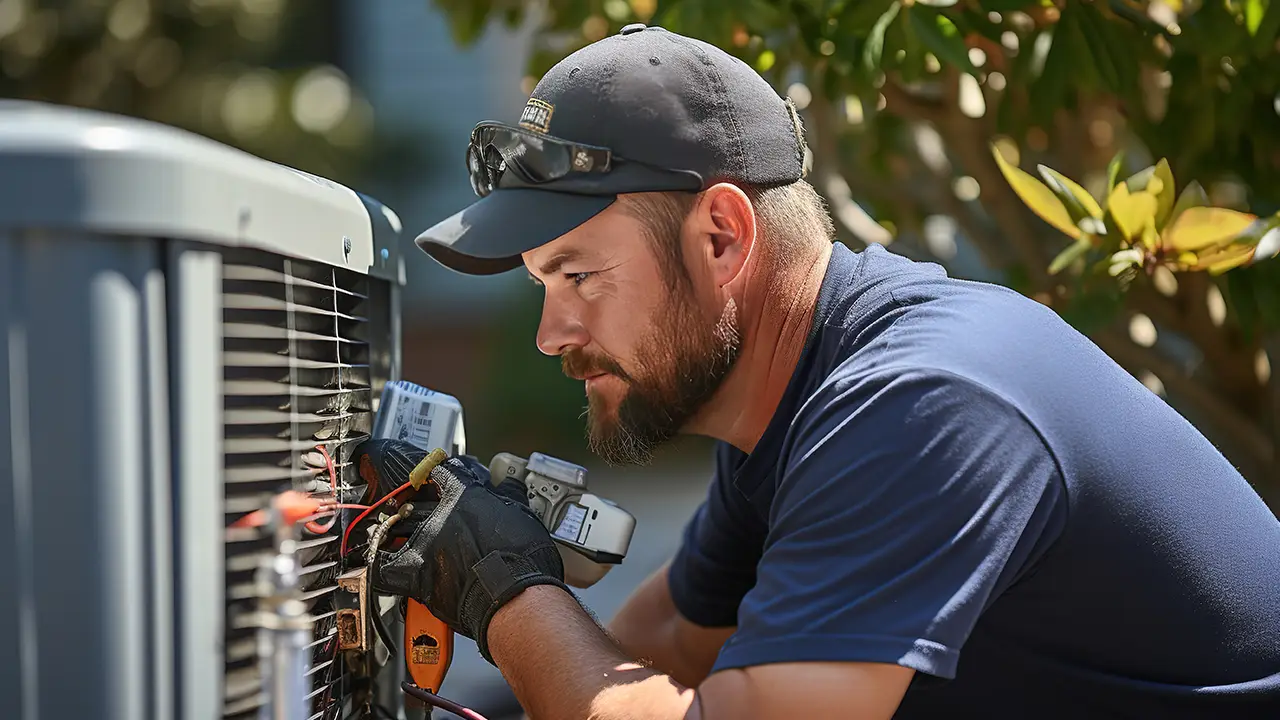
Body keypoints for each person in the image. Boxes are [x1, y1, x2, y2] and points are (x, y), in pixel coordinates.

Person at [362, 24, 1280, 719]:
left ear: (722, 237)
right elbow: (671, 643)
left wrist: (509, 593)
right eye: (540, 286)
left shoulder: (919, 403)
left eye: (581, 275)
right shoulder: (790, 401)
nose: (551, 334)